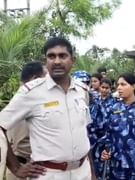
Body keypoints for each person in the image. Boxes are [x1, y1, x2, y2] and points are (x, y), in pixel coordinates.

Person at [0, 37, 94, 179]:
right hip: (49, 174)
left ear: (72, 60)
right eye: (51, 56)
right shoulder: (31, 92)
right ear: (46, 61)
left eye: (62, 56)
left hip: (82, 171)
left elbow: (83, 133)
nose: (57, 61)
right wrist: (15, 168)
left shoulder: (82, 91)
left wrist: (92, 173)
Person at [96, 73, 135, 180]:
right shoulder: (113, 108)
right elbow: (109, 134)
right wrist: (105, 151)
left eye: (123, 84)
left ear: (133, 86)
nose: (119, 88)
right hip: (117, 165)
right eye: (118, 85)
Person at [6, 61, 46, 180]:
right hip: (23, 167)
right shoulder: (26, 101)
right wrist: (16, 168)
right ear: (35, 79)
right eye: (46, 78)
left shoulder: (21, 97)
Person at [88, 78, 116, 179]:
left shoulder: (114, 103)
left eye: (106, 88)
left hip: (107, 137)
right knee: (94, 163)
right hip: (94, 137)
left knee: (106, 164)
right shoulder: (94, 101)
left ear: (110, 89)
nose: (104, 90)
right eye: (102, 87)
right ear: (99, 87)